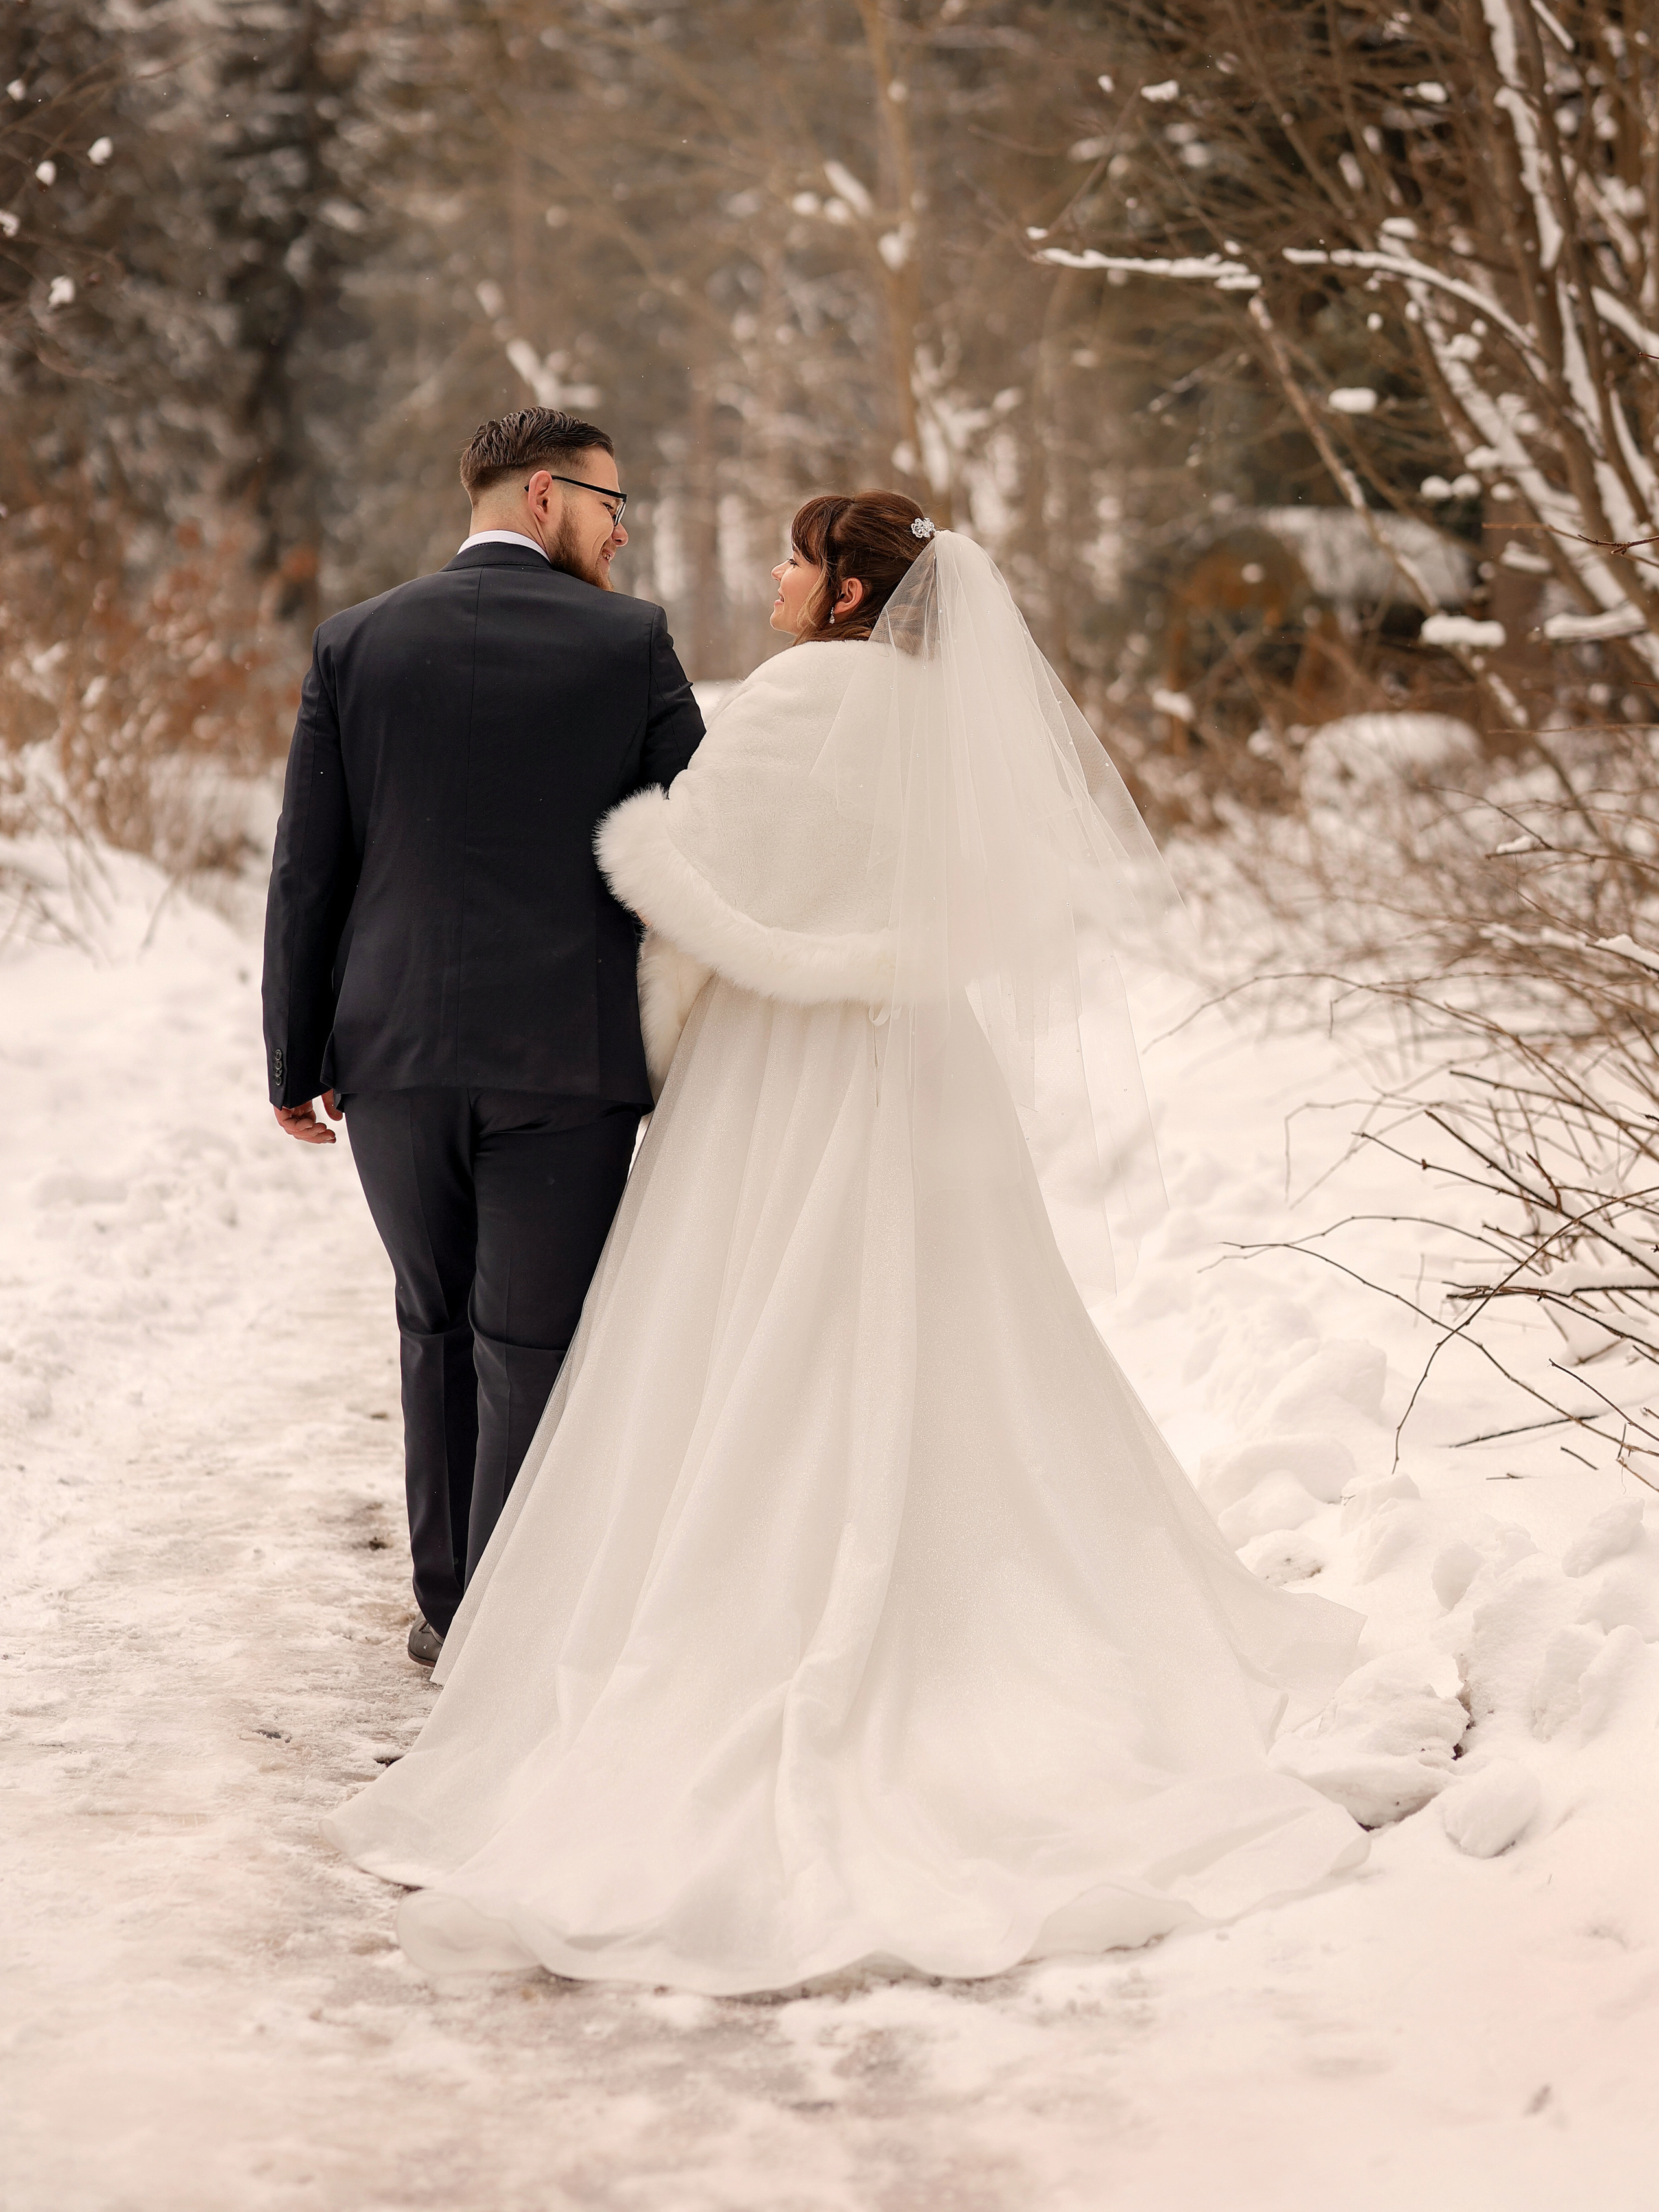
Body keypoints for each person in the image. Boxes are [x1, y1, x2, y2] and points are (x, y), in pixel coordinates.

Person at [326, 491, 1367, 1994]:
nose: (773, 573)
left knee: (744, 1328)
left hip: (774, 1068)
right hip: (922, 1063)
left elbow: (683, 888)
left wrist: (647, 992)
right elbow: (996, 898)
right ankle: (989, 1614)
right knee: (961, 1339)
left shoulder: (786, 706)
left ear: (844, 591)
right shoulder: (946, 725)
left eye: (795, 556)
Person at [261, 408, 703, 1666]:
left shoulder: (357, 642)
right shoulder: (628, 642)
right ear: (544, 497)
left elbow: (309, 868)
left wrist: (296, 1054)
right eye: (612, 505)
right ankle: (512, 1631)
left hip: (391, 1055)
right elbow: (701, 835)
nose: (622, 533)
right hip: (568, 1058)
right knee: (532, 1343)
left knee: (433, 1323)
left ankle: (452, 1607)